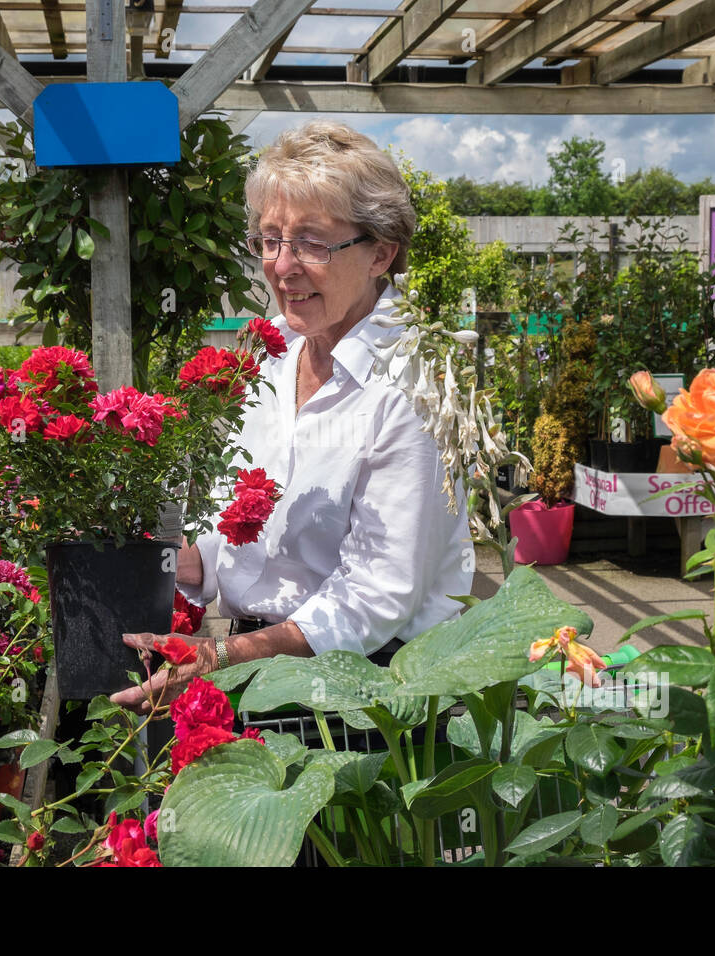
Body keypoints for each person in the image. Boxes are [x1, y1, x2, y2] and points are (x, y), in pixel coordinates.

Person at [111, 121, 472, 714]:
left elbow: (376, 596)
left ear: (380, 252)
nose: (282, 267)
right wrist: (171, 556)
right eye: (270, 239)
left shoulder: (413, 384)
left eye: (311, 242)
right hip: (261, 663)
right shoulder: (270, 353)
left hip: (373, 696)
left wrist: (220, 658)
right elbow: (243, 531)